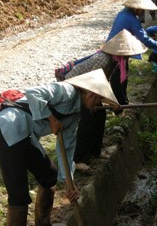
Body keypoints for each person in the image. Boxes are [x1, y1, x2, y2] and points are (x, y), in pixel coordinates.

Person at [0, 69, 119, 225]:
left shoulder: (76, 114)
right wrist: (51, 119)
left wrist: (69, 183)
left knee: (50, 175)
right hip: (8, 129)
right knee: (19, 193)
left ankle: (43, 223)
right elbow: (33, 93)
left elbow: (68, 147)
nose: (97, 106)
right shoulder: (67, 90)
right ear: (91, 94)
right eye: (98, 101)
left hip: (25, 135)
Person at [56, 30, 147, 173]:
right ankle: (78, 160)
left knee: (100, 116)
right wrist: (102, 103)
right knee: (87, 120)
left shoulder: (115, 61)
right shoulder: (103, 60)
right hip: (77, 87)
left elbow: (104, 83)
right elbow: (91, 82)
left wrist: (112, 103)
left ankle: (95, 151)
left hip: (90, 88)